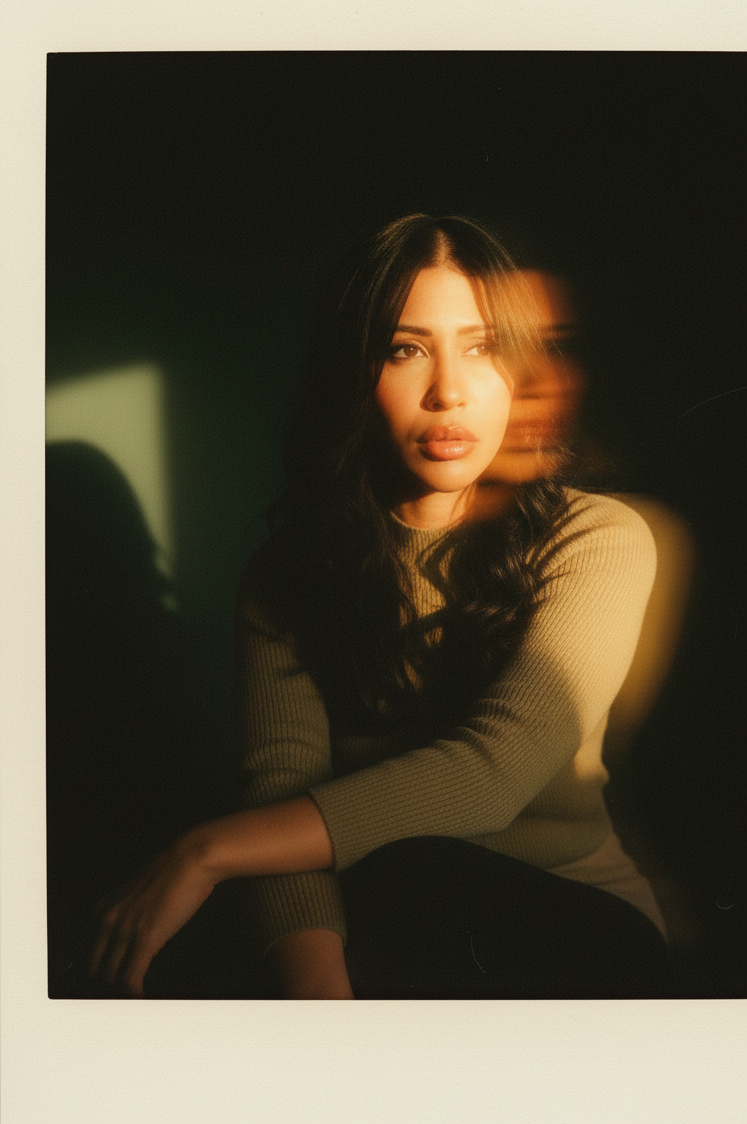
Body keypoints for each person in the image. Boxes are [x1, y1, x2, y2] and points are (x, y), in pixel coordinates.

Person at [90, 213, 669, 999]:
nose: (449, 391)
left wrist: (205, 850)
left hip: (579, 927)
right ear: (357, 372)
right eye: (407, 349)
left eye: (481, 347)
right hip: (399, 935)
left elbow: (491, 778)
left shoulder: (597, 537)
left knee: (410, 874)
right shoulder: (285, 572)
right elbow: (279, 794)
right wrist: (322, 1004)